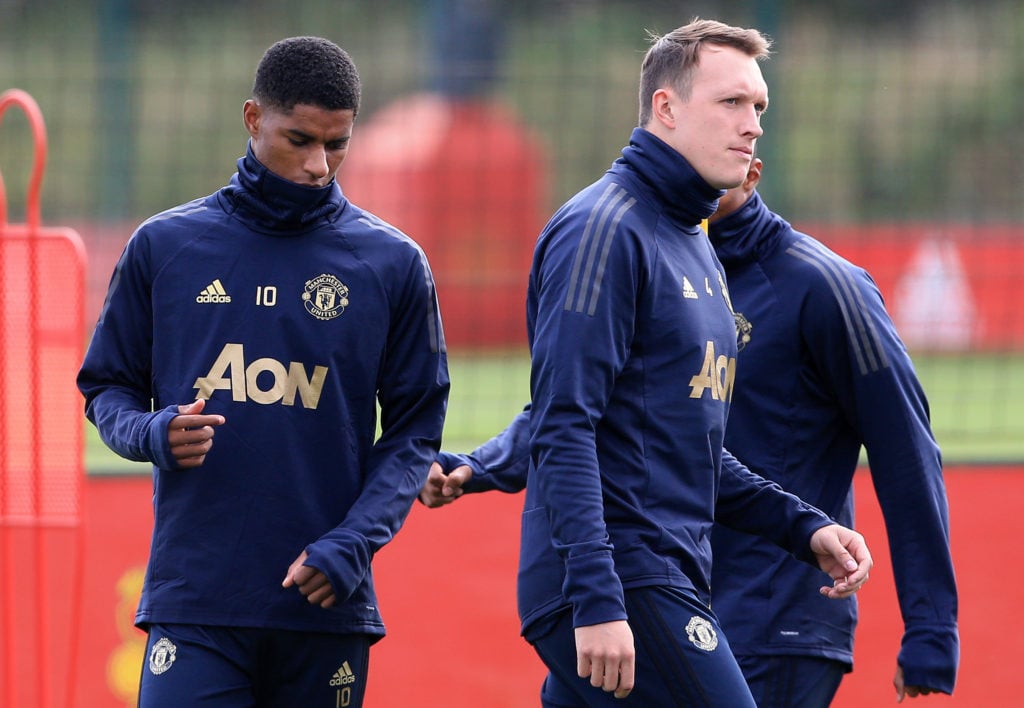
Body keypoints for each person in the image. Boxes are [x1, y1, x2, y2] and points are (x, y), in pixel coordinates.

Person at [422, 19, 872, 706]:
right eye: (730, 103)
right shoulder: (604, 230)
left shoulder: (693, 241)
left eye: (759, 108)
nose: (752, 125)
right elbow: (566, 423)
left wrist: (804, 526)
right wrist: (599, 602)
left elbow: (692, 450)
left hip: (665, 574)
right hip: (620, 581)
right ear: (665, 107)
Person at [424, 156, 959, 706]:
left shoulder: (828, 287)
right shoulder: (646, 255)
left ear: (751, 173)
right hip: (655, 586)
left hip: (772, 617)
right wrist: (485, 463)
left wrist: (931, 629)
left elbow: (907, 453)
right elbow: (586, 409)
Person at [77, 36, 449, 707]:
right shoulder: (166, 248)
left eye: (337, 144)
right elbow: (106, 388)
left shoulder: (393, 266)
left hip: (325, 602)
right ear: (253, 120)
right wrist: (151, 433)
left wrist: (352, 544)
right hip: (197, 605)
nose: (318, 165)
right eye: (300, 140)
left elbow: (414, 435)